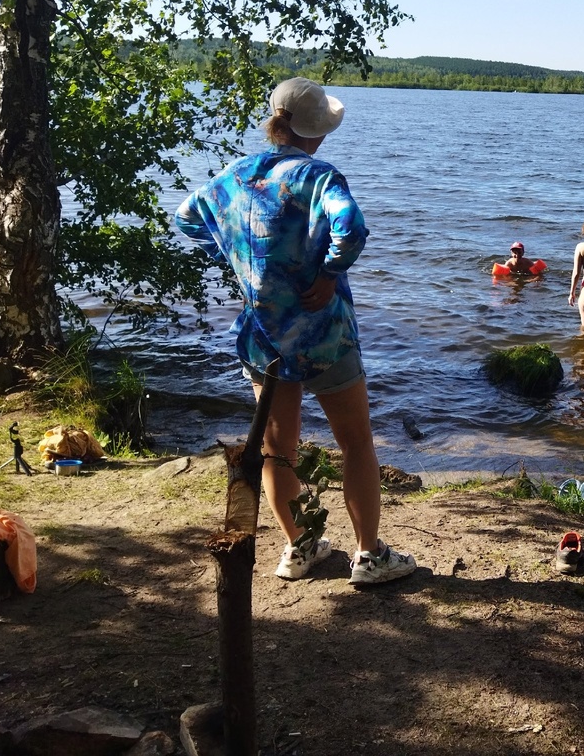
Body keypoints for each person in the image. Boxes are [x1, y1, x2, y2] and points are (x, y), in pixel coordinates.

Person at [176, 77, 416, 587]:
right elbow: (350, 229)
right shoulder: (320, 177)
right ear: (318, 132)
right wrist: (328, 274)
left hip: (263, 334)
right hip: (323, 334)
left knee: (277, 446)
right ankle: (369, 557)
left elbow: (187, 216)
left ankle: (298, 547)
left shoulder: (235, 175)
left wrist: (238, 255)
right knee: (355, 443)